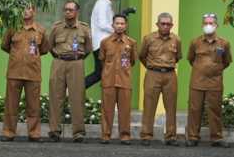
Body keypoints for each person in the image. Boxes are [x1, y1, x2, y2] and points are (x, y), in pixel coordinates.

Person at [0, 5, 49, 142]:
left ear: (34, 11)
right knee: (11, 105)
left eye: (28, 8)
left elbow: (44, 49)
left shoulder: (40, 30)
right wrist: (18, 55)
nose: (25, 11)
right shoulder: (12, 28)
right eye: (22, 8)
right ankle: (9, 133)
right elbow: (5, 45)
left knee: (33, 106)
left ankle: (34, 134)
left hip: (33, 73)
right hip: (14, 72)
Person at [47, 0, 92, 142]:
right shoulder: (56, 27)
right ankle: (54, 131)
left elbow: (89, 49)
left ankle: (78, 132)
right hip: (59, 62)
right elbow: (50, 45)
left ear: (77, 12)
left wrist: (78, 57)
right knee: (56, 96)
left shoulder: (84, 29)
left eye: (71, 10)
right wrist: (59, 56)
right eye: (66, 9)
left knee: (77, 98)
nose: (67, 12)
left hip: (76, 63)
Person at [185, 13, 231, 147]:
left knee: (215, 110)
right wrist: (202, 69)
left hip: (215, 83)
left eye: (211, 23)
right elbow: (190, 59)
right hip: (197, 82)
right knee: (194, 110)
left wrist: (214, 70)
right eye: (206, 23)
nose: (208, 26)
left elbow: (227, 62)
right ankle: (193, 137)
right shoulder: (195, 42)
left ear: (216, 25)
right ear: (202, 25)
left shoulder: (224, 43)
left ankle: (216, 138)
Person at [138, 13, 182, 146]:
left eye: (168, 24)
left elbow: (178, 57)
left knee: (171, 107)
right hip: (153, 74)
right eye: (162, 23)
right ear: (157, 24)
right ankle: (146, 135)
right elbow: (142, 56)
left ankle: (171, 136)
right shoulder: (148, 39)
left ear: (172, 25)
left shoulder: (176, 40)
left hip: (170, 75)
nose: (165, 26)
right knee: (149, 105)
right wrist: (152, 67)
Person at [98, 14, 136, 145]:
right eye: (117, 23)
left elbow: (132, 61)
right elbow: (102, 60)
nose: (119, 26)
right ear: (112, 25)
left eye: (122, 23)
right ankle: (105, 135)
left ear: (126, 26)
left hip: (125, 81)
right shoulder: (105, 42)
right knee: (107, 109)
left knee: (125, 110)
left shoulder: (131, 43)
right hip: (108, 80)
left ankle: (125, 136)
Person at [85, 0, 119, 89]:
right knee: (104, 73)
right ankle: (74, 89)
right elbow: (103, 24)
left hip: (102, 44)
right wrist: (117, 29)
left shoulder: (105, 3)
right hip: (102, 44)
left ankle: (74, 89)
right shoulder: (102, 4)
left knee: (102, 73)